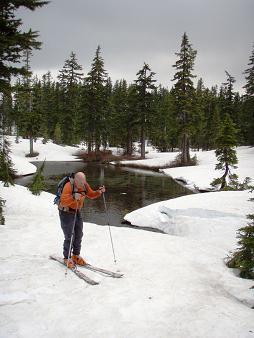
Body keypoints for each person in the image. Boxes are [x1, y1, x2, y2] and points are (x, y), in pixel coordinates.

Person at [58, 171, 105, 268]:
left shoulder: (84, 184)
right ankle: (67, 257)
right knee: (70, 235)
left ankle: (76, 255)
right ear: (75, 180)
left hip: (76, 211)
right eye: (80, 183)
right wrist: (73, 198)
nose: (82, 185)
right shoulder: (68, 186)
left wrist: (99, 192)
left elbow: (91, 194)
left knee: (79, 233)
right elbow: (63, 202)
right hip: (66, 212)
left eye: (83, 183)